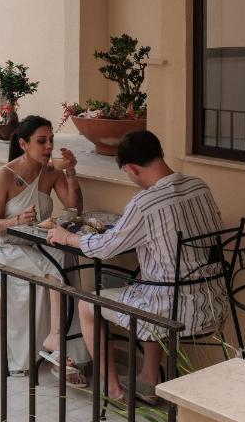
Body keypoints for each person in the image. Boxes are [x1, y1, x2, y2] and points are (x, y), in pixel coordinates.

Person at [47, 130, 226, 403]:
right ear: (161, 154)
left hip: (170, 312)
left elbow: (107, 248)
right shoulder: (199, 186)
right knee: (145, 282)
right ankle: (148, 379)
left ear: (131, 168)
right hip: (212, 302)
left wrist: (68, 236)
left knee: (87, 304)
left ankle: (113, 389)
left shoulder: (145, 203)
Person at [0, 115, 88, 381]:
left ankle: (61, 346)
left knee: (65, 256)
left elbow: (75, 209)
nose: (49, 147)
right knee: (53, 264)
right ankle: (54, 341)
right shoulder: (4, 175)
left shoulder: (51, 173)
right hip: (5, 245)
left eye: (51, 140)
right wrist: (18, 220)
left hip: (36, 244)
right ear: (23, 143)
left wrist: (71, 172)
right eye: (42, 141)